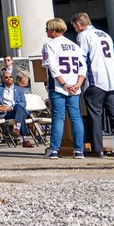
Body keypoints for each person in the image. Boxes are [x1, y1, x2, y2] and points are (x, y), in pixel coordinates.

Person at [72, 12, 114, 158]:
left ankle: (97, 148)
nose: (74, 29)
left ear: (79, 25)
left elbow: (82, 58)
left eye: (74, 26)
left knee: (95, 115)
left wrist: (80, 80)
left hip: (96, 80)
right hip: (113, 80)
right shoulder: (105, 35)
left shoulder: (83, 36)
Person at [42, 17, 86, 159]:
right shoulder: (74, 45)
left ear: (54, 30)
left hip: (59, 86)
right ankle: (79, 150)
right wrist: (78, 84)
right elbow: (82, 67)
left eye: (48, 29)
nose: (46, 32)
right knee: (76, 117)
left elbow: (52, 68)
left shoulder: (50, 45)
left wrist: (63, 84)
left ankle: (54, 149)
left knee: (58, 117)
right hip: (75, 86)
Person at [0, 69, 34, 148]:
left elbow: (23, 103)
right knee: (20, 114)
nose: (9, 79)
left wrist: (11, 107)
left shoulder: (19, 90)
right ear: (3, 79)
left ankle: (17, 128)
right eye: (6, 77)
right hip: (5, 112)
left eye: (10, 77)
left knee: (19, 107)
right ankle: (25, 139)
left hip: (15, 110)